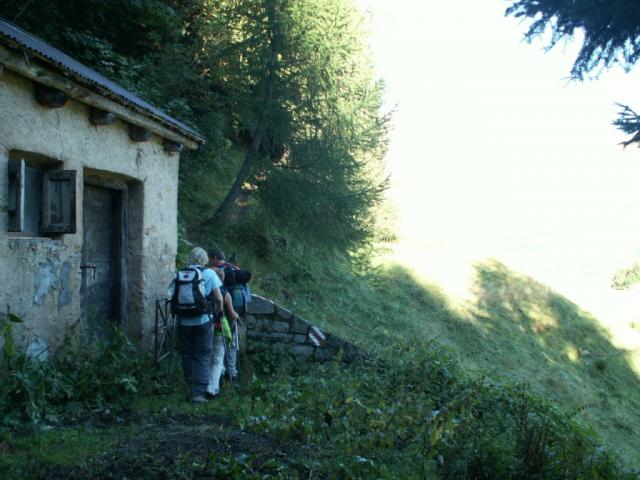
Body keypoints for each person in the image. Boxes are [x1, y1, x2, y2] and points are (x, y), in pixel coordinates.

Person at [175, 247, 223, 403]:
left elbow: (172, 295)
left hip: (184, 321)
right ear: (204, 259)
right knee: (203, 354)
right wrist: (220, 312)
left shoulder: (180, 273)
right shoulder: (209, 273)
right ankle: (199, 392)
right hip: (203, 320)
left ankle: (190, 388)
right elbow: (219, 297)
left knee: (187, 354)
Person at [208, 248, 241, 380]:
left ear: (214, 258)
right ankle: (231, 373)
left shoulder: (210, 272)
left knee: (215, 347)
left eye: (210, 258)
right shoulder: (233, 269)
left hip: (213, 317)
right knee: (230, 344)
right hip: (230, 315)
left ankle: (220, 374)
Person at [206, 267, 239, 397]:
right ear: (222, 278)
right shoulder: (225, 293)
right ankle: (212, 388)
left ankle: (207, 382)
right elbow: (232, 313)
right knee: (218, 358)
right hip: (220, 328)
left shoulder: (205, 291)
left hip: (206, 326)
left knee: (208, 356)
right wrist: (236, 315)